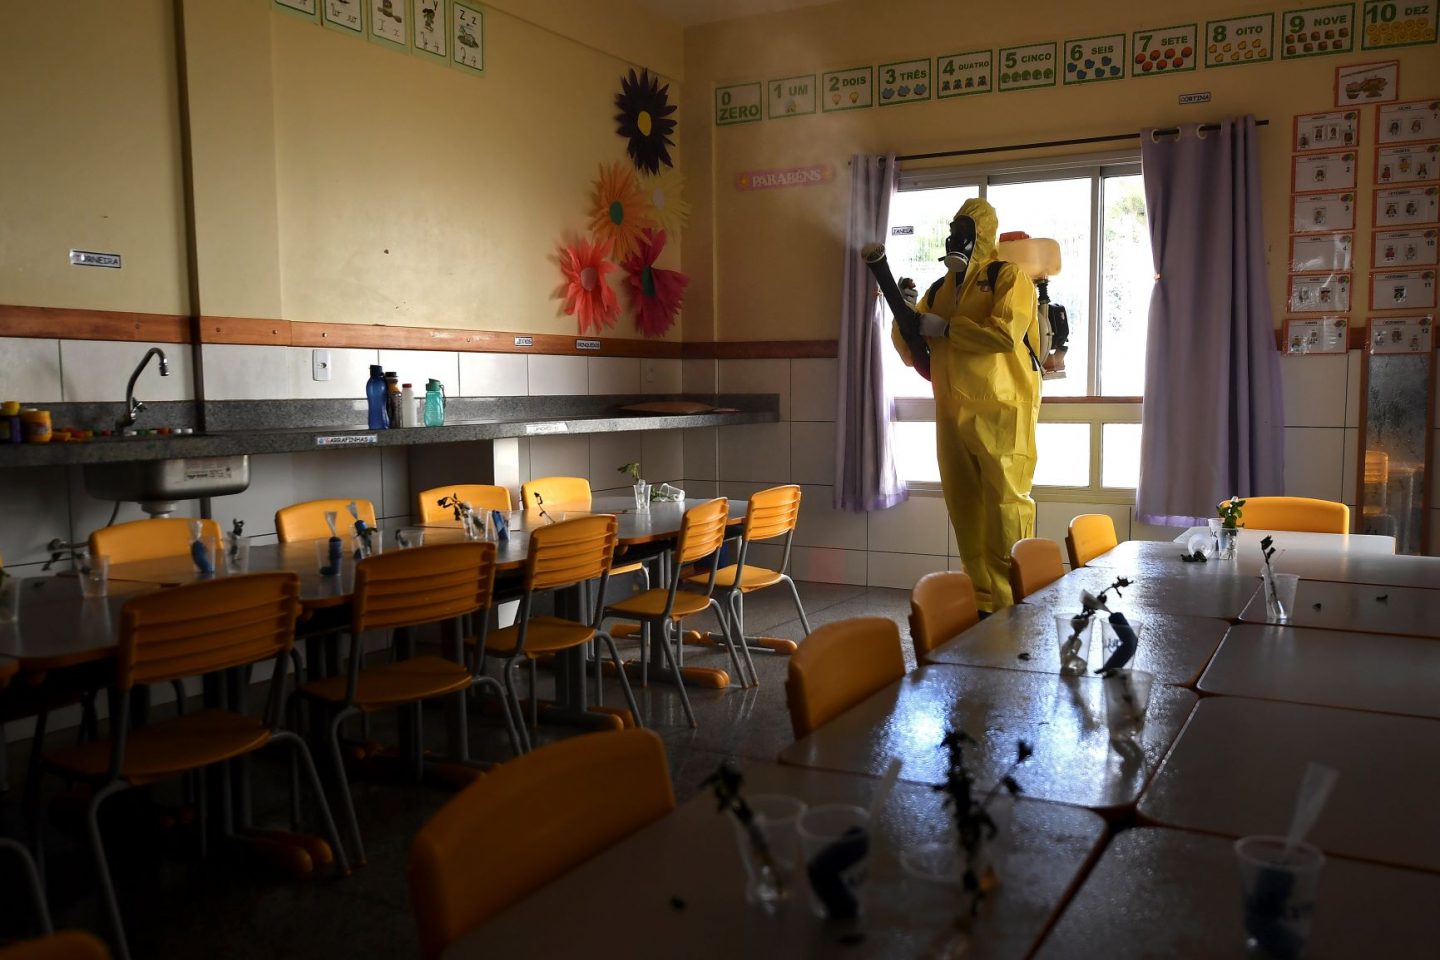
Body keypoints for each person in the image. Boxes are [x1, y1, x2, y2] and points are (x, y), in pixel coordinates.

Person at [892, 198, 1042, 612]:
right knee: (965, 509)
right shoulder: (940, 289)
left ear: (983, 234)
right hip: (952, 411)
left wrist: (948, 328)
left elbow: (1003, 336)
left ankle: (1015, 601)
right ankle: (982, 602)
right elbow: (912, 350)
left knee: (1006, 509)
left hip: (1003, 411)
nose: (955, 237)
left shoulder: (1008, 277)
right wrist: (903, 314)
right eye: (953, 228)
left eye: (965, 229)